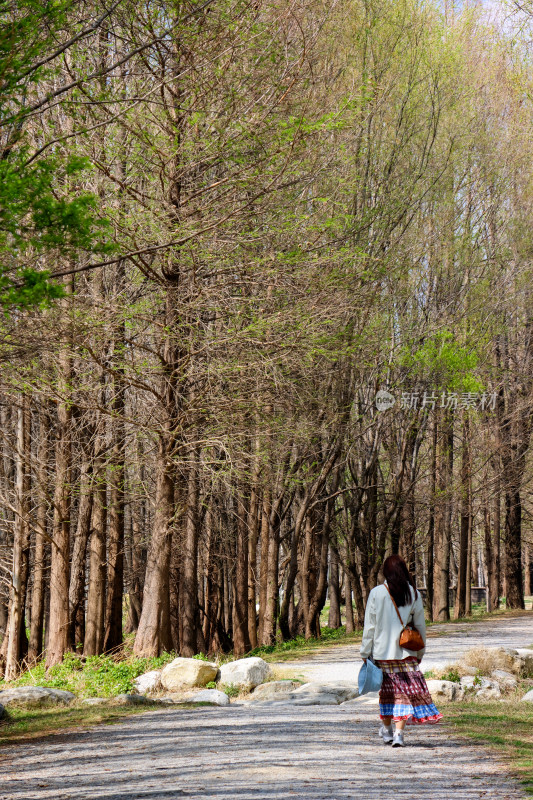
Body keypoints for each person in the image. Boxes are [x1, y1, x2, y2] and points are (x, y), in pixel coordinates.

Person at [359, 554, 442, 747]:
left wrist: (365, 652)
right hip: (406, 653)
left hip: (382, 653)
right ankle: (398, 734)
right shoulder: (413, 593)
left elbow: (369, 626)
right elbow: (420, 626)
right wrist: (420, 653)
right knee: (403, 695)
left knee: (387, 693)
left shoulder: (377, 593)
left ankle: (387, 731)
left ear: (386, 572)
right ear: (403, 570)